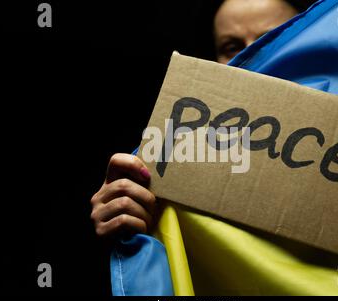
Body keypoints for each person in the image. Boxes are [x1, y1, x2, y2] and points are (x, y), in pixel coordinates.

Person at [90, 0, 303, 237]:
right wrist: (123, 210)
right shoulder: (177, 150)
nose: (251, 54)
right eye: (232, 47)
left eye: (272, 39)